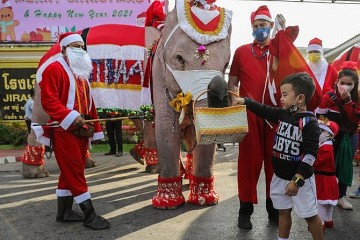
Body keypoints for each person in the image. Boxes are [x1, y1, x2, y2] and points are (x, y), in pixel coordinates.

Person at [234, 72, 324, 240]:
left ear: (300, 98)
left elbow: (311, 155)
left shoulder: (309, 123)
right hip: (280, 178)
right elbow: (264, 110)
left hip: (300, 181)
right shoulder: (284, 114)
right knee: (283, 211)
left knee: (310, 215)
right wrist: (245, 101)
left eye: (284, 95)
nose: (281, 98)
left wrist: (297, 180)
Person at [36, 32, 110, 230]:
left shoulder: (81, 73)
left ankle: (64, 212)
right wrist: (70, 116)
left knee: (68, 172)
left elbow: (89, 103)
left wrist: (93, 125)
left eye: (81, 46)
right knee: (75, 172)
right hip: (64, 130)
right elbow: (49, 101)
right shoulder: (53, 69)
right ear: (63, 49)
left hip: (80, 130)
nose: (80, 49)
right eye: (75, 46)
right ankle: (89, 214)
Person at [228, 5, 278, 229]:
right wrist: (233, 103)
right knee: (248, 164)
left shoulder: (279, 51)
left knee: (275, 164)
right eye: (256, 26)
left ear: (271, 26)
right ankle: (244, 211)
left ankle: (274, 210)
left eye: (264, 25)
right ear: (252, 28)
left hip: (275, 116)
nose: (260, 29)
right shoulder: (241, 51)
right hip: (248, 114)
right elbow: (232, 82)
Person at [316, 61, 360, 210]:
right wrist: (329, 128)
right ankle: (326, 194)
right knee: (329, 165)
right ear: (337, 81)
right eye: (342, 83)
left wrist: (348, 101)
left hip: (349, 136)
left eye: (349, 84)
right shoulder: (328, 97)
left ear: (355, 84)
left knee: (346, 165)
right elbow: (319, 117)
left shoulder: (357, 98)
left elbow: (356, 118)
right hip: (331, 136)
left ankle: (341, 196)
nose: (345, 86)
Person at [314, 118, 339, 231]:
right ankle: (328, 220)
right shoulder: (327, 146)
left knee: (321, 202)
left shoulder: (325, 148)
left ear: (330, 135)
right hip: (328, 178)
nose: (319, 133)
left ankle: (320, 223)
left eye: (322, 131)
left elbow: (317, 162)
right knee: (328, 202)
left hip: (323, 178)